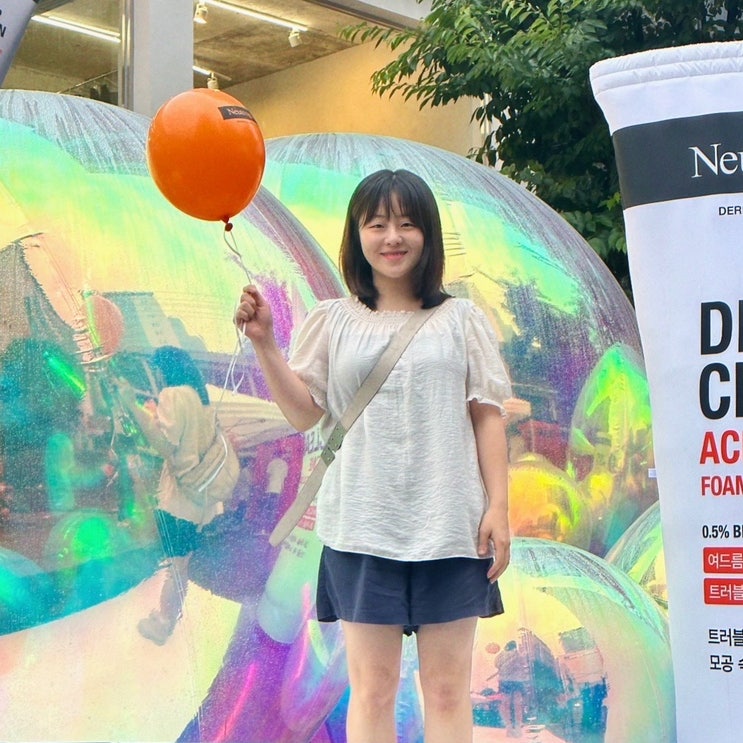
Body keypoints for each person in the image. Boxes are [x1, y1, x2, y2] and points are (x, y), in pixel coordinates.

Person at [235, 169, 512, 743]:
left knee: (446, 690)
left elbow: (487, 416)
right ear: (356, 234)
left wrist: (499, 508)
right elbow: (305, 414)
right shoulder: (334, 320)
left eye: (407, 223)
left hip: (451, 531)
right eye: (377, 224)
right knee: (374, 689)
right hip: (361, 529)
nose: (392, 237)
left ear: (427, 234)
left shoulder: (462, 321)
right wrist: (265, 343)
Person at [116, 345, 224, 645]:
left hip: (179, 500)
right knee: (182, 564)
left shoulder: (174, 395)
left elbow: (165, 446)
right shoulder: (202, 401)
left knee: (176, 566)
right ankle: (170, 617)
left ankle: (165, 621)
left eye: (156, 370)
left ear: (164, 370)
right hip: (199, 499)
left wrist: (132, 405)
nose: (156, 376)